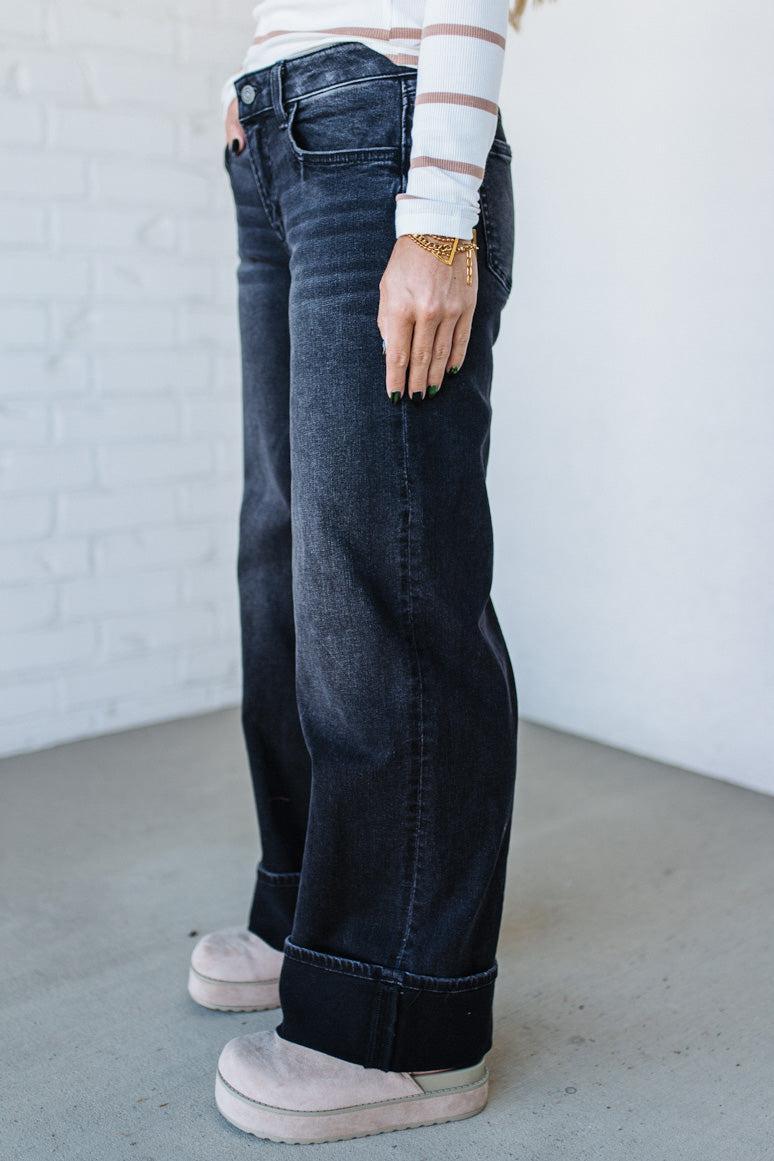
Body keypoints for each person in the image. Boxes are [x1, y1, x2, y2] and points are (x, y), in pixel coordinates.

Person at [188, 1, 520, 1143]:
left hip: (384, 133)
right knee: (286, 559)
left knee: (388, 575)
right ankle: (309, 920)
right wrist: (259, 72)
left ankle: (406, 1025)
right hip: (283, 135)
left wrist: (437, 217)